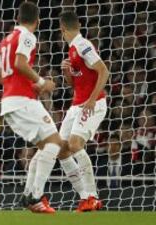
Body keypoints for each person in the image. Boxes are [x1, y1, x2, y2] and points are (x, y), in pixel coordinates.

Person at [0, 2, 62, 213]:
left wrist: (30, 84)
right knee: (55, 143)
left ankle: (28, 195)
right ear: (38, 20)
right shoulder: (27, 36)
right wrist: (42, 83)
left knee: (45, 146)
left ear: (17, 17)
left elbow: (1, 77)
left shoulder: (6, 40)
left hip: (9, 101)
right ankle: (35, 196)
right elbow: (20, 64)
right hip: (21, 100)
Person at [58, 11, 109, 212]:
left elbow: (104, 70)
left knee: (75, 144)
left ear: (62, 29)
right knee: (61, 150)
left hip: (92, 103)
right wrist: (67, 73)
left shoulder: (83, 45)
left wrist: (92, 99)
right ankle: (84, 196)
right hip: (76, 104)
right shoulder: (72, 49)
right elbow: (75, 83)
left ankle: (92, 196)